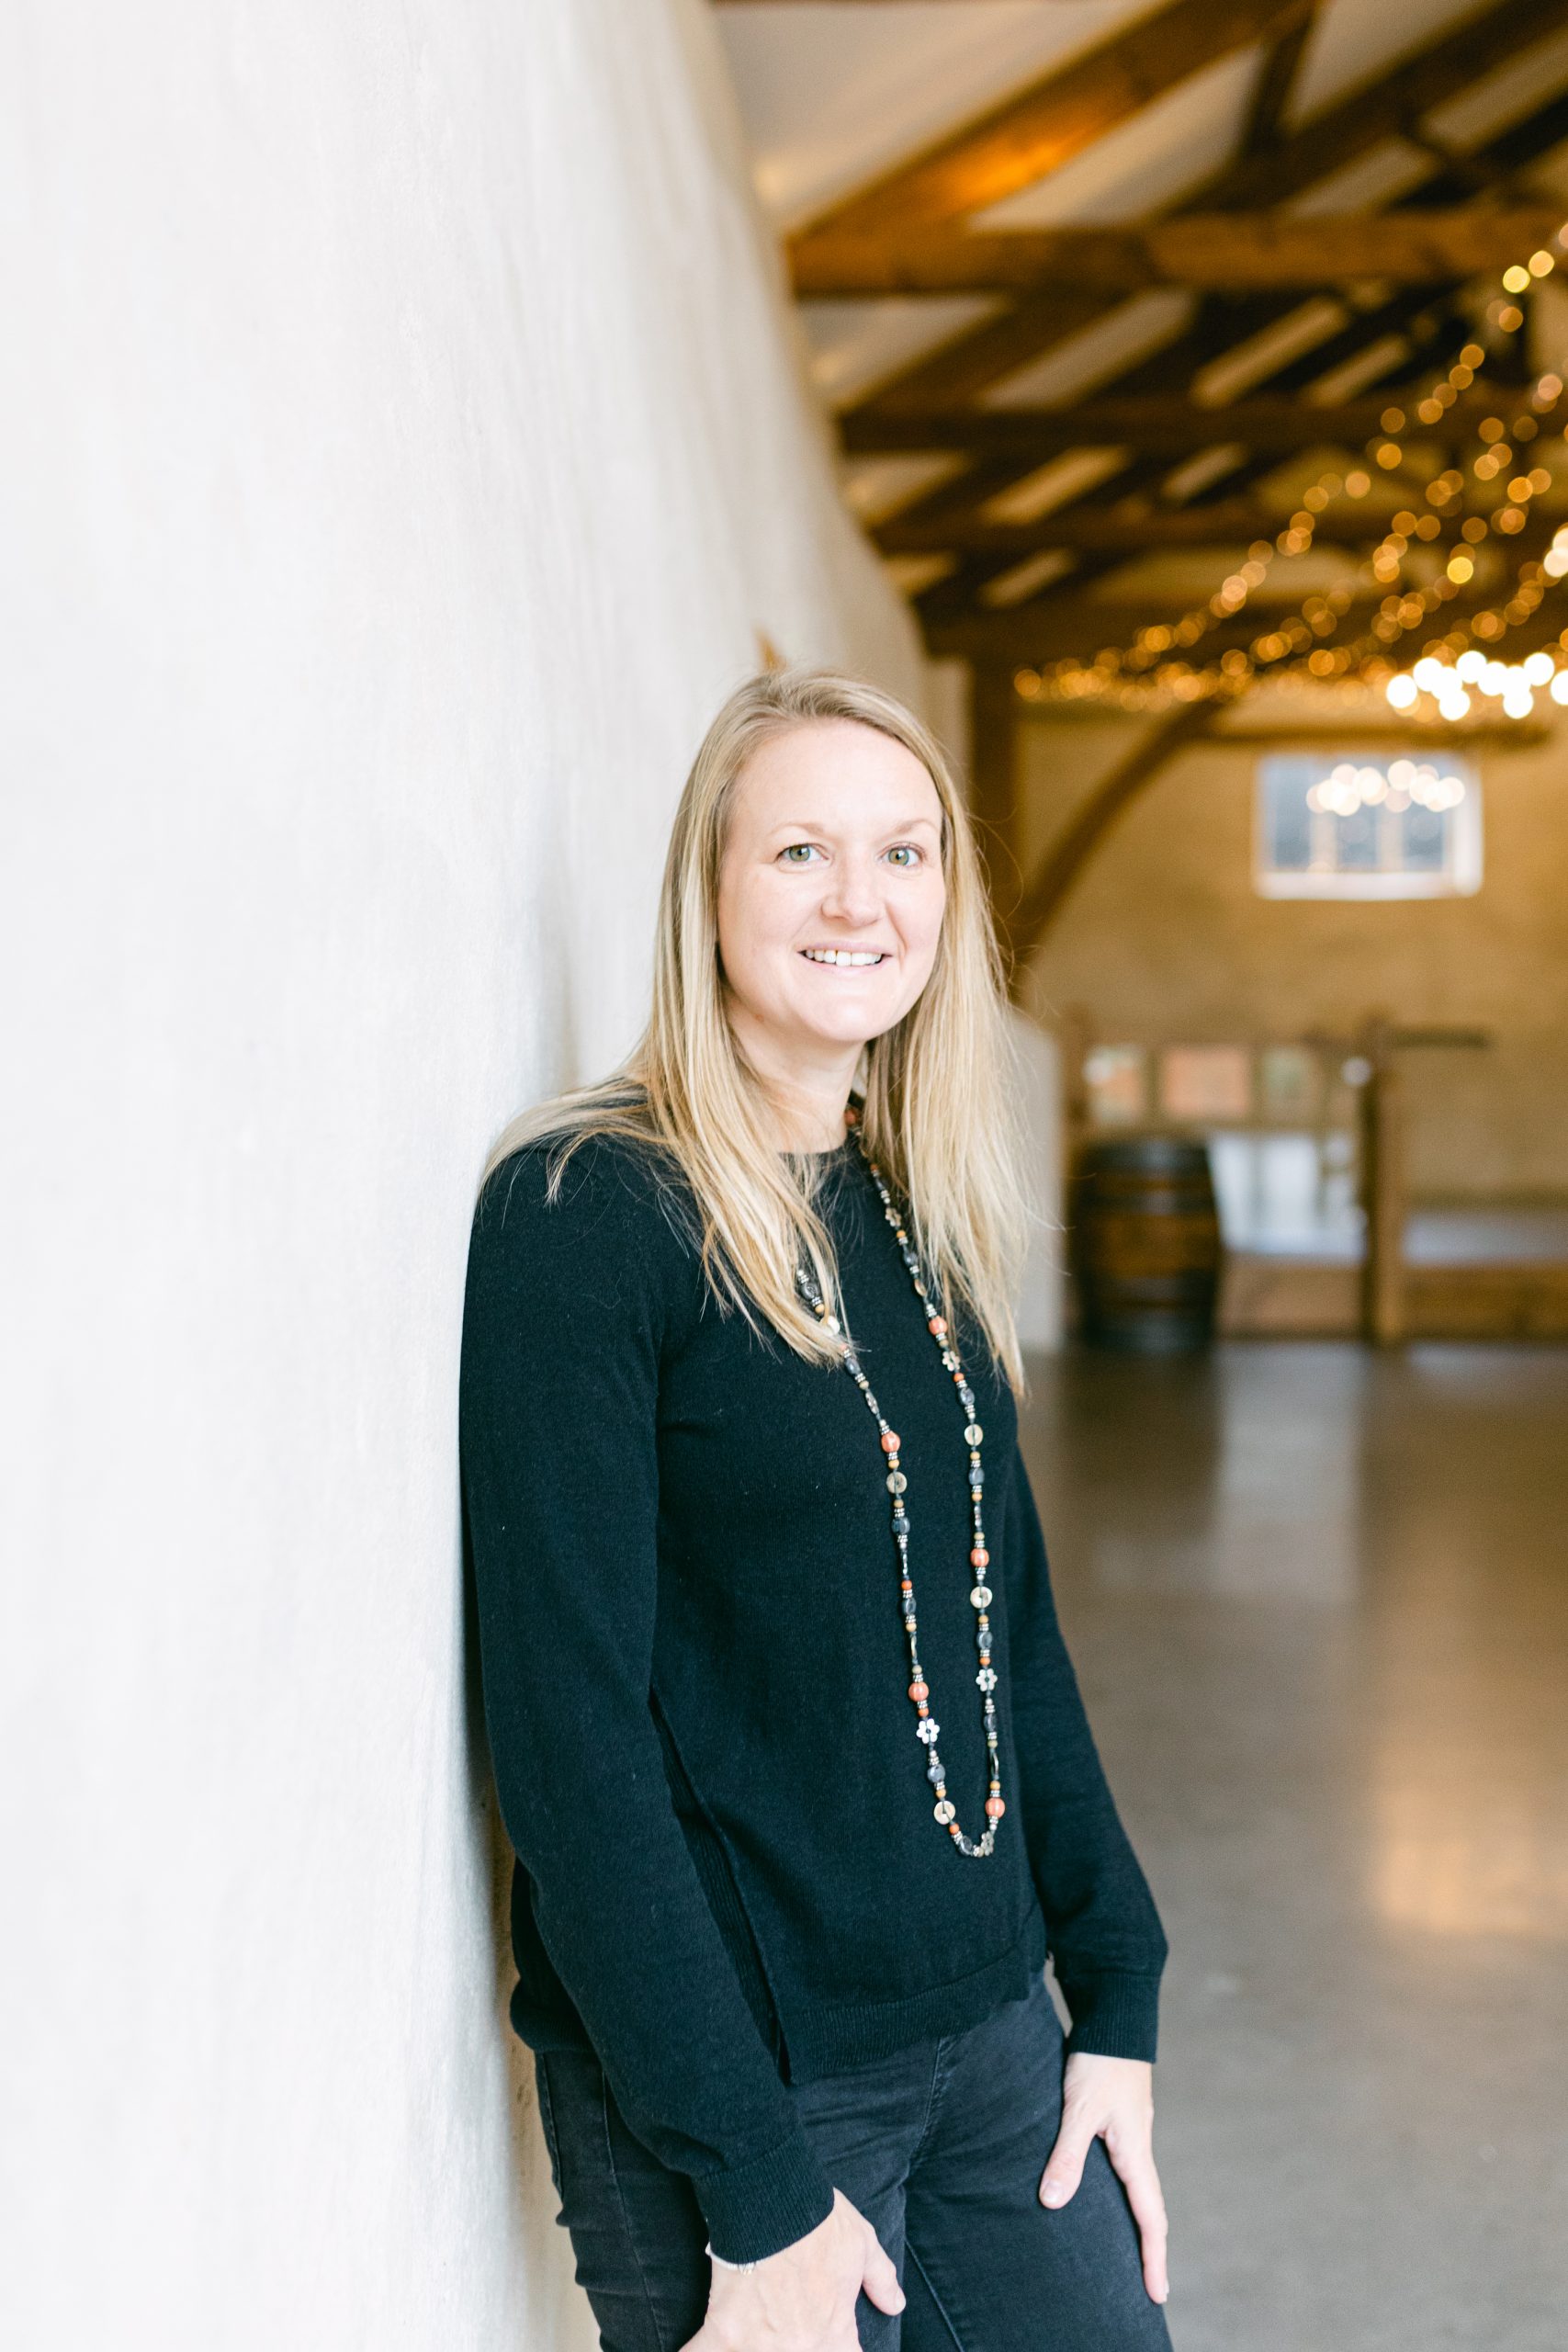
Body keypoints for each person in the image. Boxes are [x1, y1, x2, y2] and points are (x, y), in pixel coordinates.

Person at [459, 668, 1172, 2352]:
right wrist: (756, 2186)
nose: (860, 900)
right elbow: (568, 1744)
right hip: (751, 2089)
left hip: (996, 2044)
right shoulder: (590, 1213)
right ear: (708, 892)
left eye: (905, 852)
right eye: (799, 850)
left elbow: (1017, 1635)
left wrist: (1117, 1994)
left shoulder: (914, 1204)